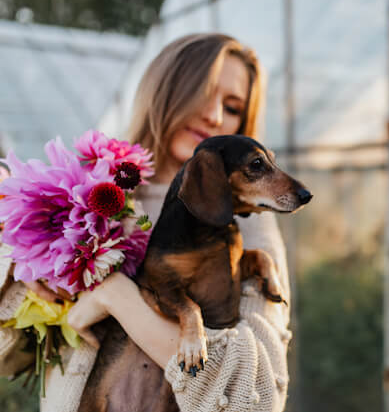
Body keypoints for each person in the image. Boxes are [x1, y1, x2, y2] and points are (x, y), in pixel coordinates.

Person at [0, 33, 291, 412]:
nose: (215, 116)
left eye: (233, 107)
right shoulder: (87, 193)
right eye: (203, 93)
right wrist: (21, 269)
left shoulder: (247, 227)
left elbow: (252, 400)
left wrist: (119, 298)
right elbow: (12, 357)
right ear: (165, 90)